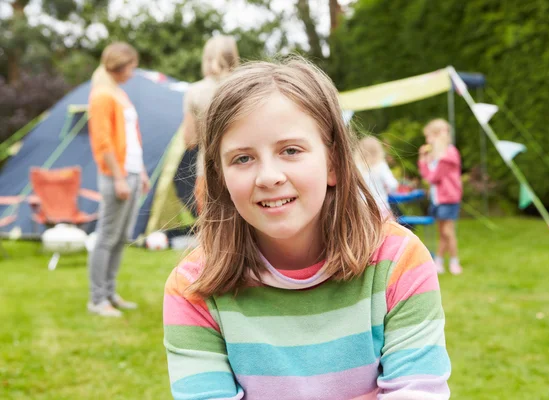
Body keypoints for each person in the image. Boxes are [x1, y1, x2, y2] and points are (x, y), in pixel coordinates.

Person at [163, 58, 451, 399]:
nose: (269, 176)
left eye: (290, 150)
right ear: (221, 178)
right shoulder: (193, 286)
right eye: (243, 158)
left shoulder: (399, 261)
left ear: (333, 163)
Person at [87, 42, 150, 317]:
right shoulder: (101, 96)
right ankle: (97, 298)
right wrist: (119, 177)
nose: (133, 72)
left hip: (132, 172)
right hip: (117, 175)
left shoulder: (120, 94)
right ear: (119, 65)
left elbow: (132, 138)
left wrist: (142, 173)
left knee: (120, 236)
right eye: (131, 66)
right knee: (107, 236)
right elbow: (102, 142)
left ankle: (110, 293)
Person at [179, 35, 239, 215]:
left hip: (207, 169)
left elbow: (189, 140)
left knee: (211, 228)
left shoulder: (194, 92)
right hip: (243, 167)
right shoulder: (244, 87)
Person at [418, 118, 463, 275]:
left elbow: (433, 178)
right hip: (437, 199)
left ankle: (454, 261)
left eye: (428, 136)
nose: (427, 140)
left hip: (448, 198)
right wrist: (425, 160)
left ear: (436, 135)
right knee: (442, 232)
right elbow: (428, 176)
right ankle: (439, 261)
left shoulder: (449, 154)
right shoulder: (435, 155)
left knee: (448, 232)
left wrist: (423, 160)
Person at [357, 135, 399, 219]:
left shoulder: (357, 167)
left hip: (361, 209)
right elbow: (393, 185)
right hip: (381, 207)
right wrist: (387, 189)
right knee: (386, 231)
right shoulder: (380, 166)